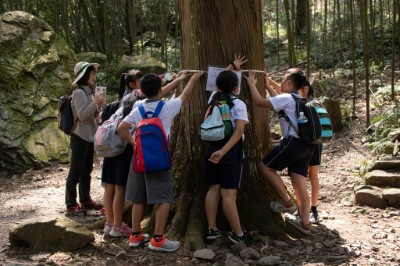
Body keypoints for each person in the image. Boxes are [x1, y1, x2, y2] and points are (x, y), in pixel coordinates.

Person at [118, 71, 204, 252]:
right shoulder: (167, 107)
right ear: (160, 89)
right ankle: (157, 240)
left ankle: (135, 236)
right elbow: (185, 95)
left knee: (138, 199)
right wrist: (192, 79)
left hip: (139, 159)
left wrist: (135, 145)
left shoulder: (139, 106)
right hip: (159, 159)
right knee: (164, 198)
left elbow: (122, 128)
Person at [244, 68, 314, 235]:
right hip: (307, 145)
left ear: (289, 82)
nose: (281, 82)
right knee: (299, 184)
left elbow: (260, 102)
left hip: (293, 142)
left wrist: (251, 84)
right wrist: (268, 86)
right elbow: (277, 102)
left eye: (283, 79)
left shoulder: (288, 98)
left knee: (265, 166)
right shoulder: (300, 99)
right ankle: (305, 223)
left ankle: (287, 202)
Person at [204, 55, 250, 244]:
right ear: (236, 87)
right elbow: (239, 132)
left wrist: (231, 66)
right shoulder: (238, 104)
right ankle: (238, 235)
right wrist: (223, 152)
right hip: (229, 152)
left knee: (213, 189)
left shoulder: (214, 98)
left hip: (210, 149)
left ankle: (212, 229)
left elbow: (221, 81)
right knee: (228, 194)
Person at [102, 70, 145, 237]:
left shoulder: (117, 102)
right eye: (142, 80)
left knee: (109, 186)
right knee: (120, 187)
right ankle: (118, 227)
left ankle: (110, 223)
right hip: (124, 145)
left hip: (110, 146)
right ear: (132, 84)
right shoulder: (136, 98)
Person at [66, 61, 106, 214]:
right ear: (84, 75)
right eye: (91, 73)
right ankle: (70, 203)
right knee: (75, 171)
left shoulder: (88, 92)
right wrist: (94, 102)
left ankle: (85, 200)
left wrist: (100, 105)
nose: (94, 76)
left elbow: (92, 116)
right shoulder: (79, 93)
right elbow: (82, 116)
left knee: (86, 170)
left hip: (89, 136)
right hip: (80, 136)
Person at [299, 83, 322, 224]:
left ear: (305, 89)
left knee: (303, 176)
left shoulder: (305, 103)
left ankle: (308, 209)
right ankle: (313, 208)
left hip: (308, 143)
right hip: (318, 143)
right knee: (313, 176)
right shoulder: (317, 103)